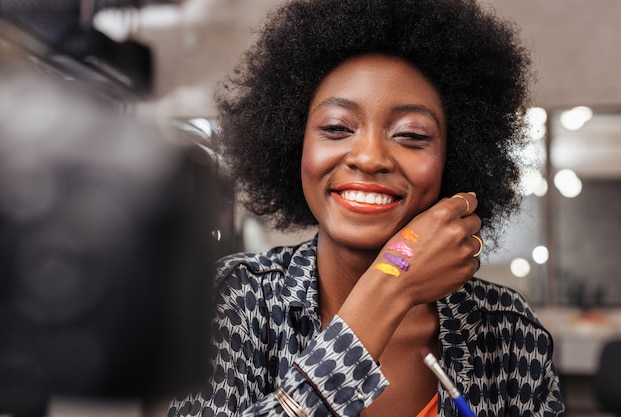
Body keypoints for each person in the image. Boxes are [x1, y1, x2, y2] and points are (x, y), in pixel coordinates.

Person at [169, 0, 564, 416]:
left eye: (411, 134)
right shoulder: (237, 300)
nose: (370, 157)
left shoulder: (507, 329)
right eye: (337, 128)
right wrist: (391, 288)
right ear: (293, 144)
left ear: (456, 158)